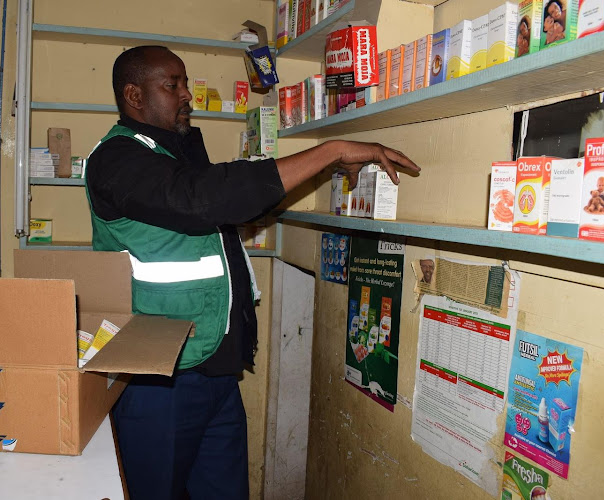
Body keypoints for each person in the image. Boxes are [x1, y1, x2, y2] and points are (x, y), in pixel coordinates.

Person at [85, 45, 420, 500]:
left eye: (186, 83)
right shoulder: (116, 159)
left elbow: (230, 196)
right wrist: (330, 150)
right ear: (134, 96)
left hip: (216, 367)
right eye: (173, 85)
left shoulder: (175, 154)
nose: (187, 95)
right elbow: (203, 199)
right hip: (158, 379)